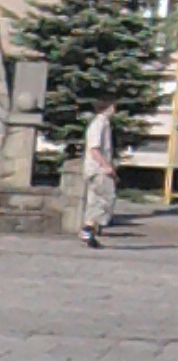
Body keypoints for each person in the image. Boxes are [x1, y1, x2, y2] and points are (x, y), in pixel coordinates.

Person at [80, 95, 118, 249]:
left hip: (95, 169)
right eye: (113, 107)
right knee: (106, 198)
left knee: (94, 200)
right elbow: (94, 148)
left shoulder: (102, 123)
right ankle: (88, 228)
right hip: (98, 169)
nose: (114, 110)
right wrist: (106, 166)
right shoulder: (99, 123)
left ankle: (90, 232)